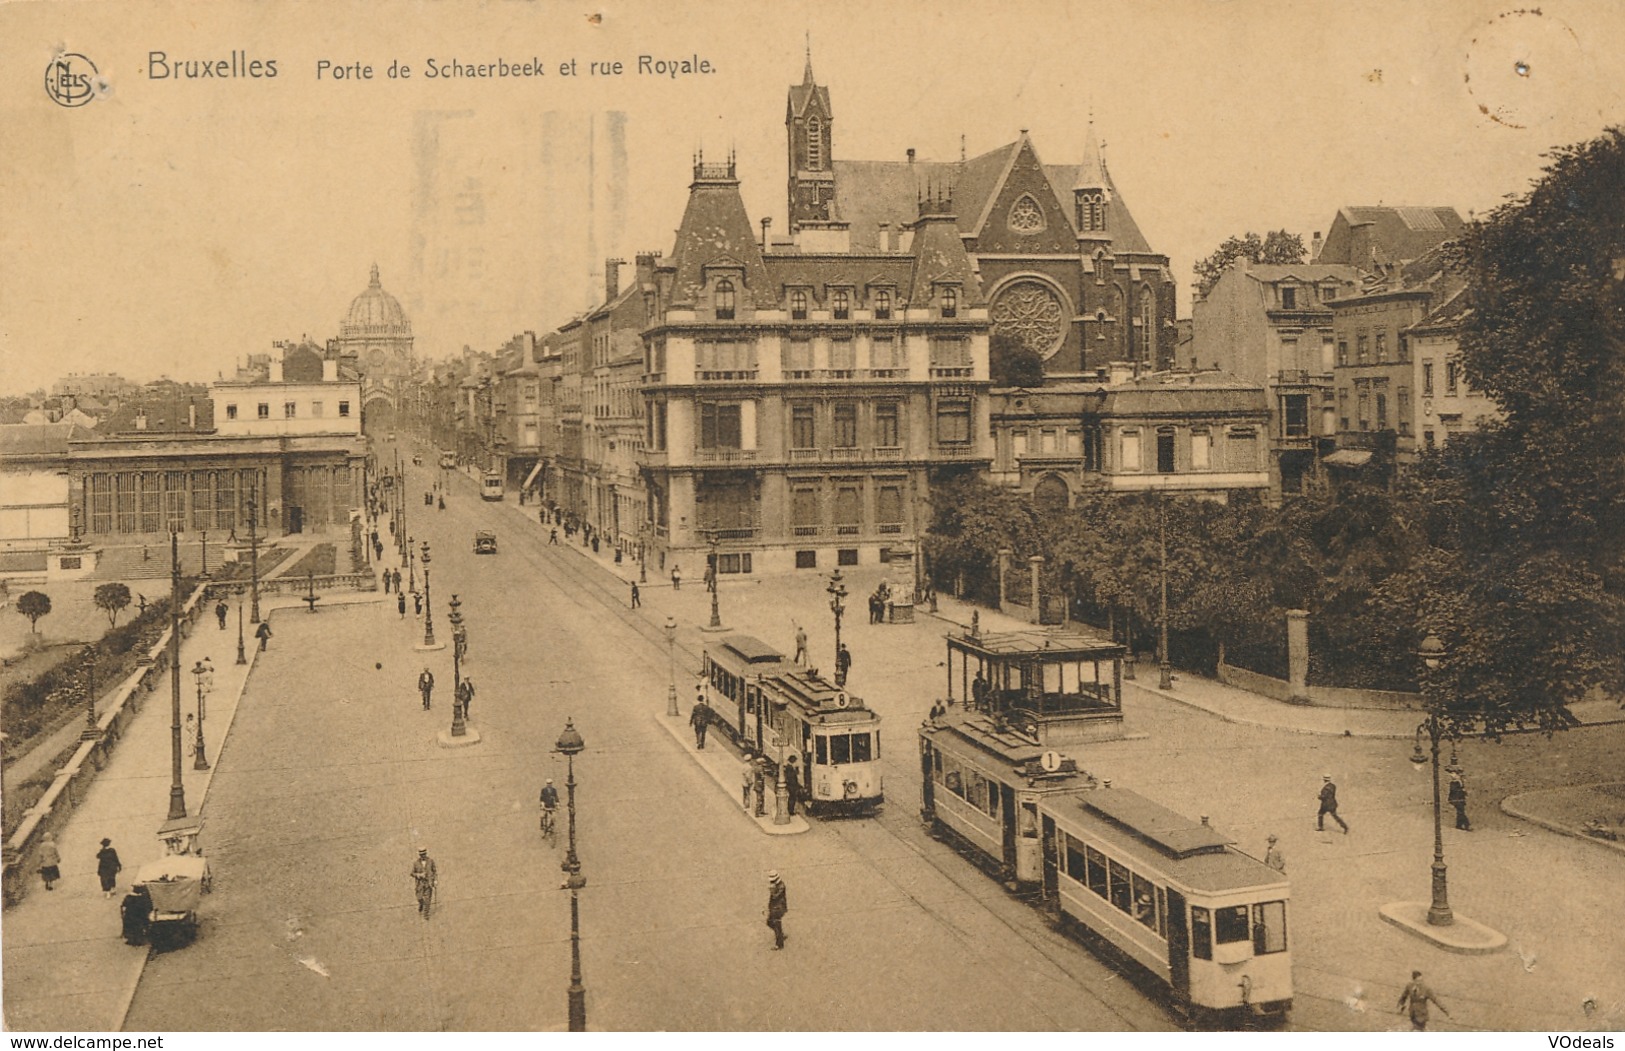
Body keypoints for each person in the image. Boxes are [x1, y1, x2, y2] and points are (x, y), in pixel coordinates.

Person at [411, 848, 438, 920]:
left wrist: (435, 881)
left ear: (426, 854)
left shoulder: (431, 861)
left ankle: (426, 914)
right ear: (419, 855)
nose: (423, 856)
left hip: (428, 883)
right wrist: (419, 875)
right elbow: (412, 873)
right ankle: (421, 904)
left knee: (428, 900)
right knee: (419, 898)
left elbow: (434, 871)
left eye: (424, 854)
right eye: (421, 855)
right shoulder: (416, 863)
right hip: (419, 884)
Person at [765, 871, 788, 950]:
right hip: (774, 908)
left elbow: (775, 897)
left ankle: (779, 944)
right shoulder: (776, 885)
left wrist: (772, 890)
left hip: (778, 909)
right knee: (769, 922)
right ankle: (780, 935)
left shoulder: (781, 886)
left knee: (777, 925)